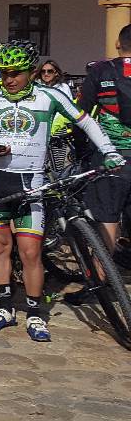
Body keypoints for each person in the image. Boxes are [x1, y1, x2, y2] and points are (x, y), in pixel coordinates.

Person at [0, 42, 121, 343]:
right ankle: (4, 308)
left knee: (30, 252)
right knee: (0, 248)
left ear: (31, 72)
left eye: (15, 73)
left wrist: (108, 150)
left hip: (32, 183)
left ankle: (35, 312)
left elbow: (86, 122)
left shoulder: (49, 96)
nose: (9, 79)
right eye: (4, 73)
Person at [79, 26, 131, 261]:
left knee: (107, 218)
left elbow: (81, 114)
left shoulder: (101, 70)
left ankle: (102, 277)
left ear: (118, 44)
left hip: (112, 158)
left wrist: (82, 149)